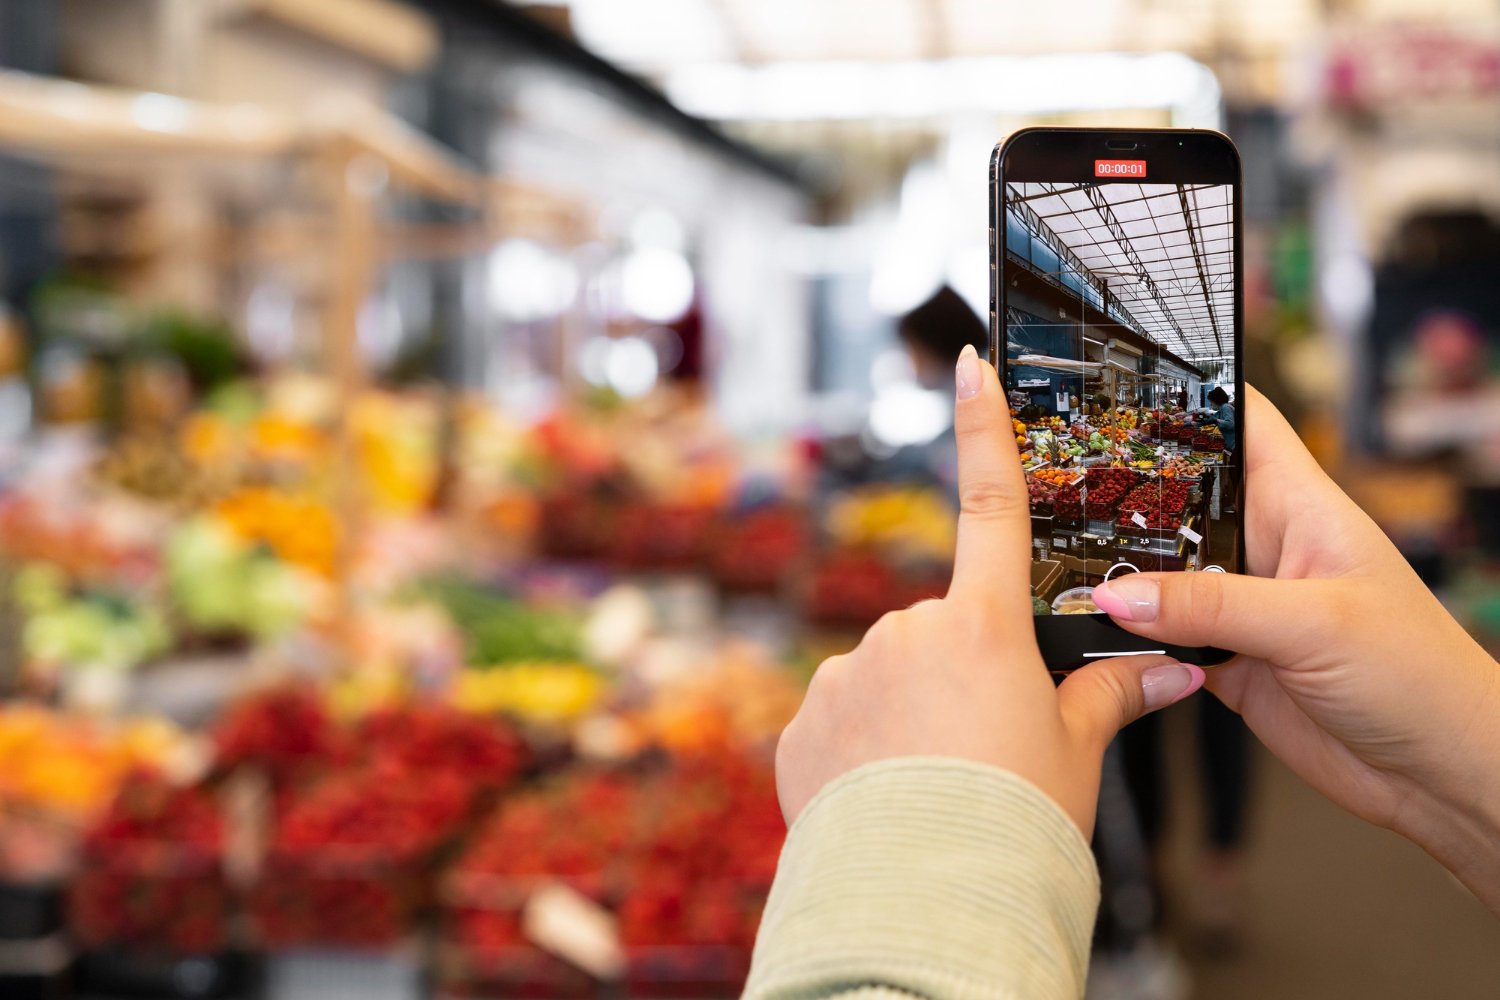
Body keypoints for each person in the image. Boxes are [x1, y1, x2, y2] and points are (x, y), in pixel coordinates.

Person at [745, 345, 1500, 999]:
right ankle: (1195, 873)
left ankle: (1187, 877)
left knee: (1174, 730)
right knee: (1181, 728)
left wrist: (902, 835)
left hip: (1195, 591)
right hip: (1198, 596)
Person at [1194, 384, 1238, 514]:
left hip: (1236, 447)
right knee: (1233, 476)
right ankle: (1236, 504)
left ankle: (1237, 506)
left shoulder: (1226, 408)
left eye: (1211, 401)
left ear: (1216, 400)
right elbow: (1211, 419)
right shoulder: (1223, 409)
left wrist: (1218, 421)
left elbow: (1230, 424)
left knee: (1235, 477)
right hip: (1233, 446)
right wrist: (1192, 423)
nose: (1211, 404)